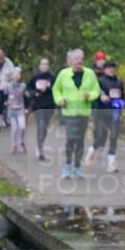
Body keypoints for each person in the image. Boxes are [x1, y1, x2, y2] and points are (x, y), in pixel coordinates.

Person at [52, 49, 101, 179]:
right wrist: (59, 100)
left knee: (80, 141)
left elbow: (96, 90)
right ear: (71, 60)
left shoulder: (90, 73)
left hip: (84, 112)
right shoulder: (63, 74)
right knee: (71, 139)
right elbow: (56, 89)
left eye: (81, 58)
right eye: (76, 58)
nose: (79, 61)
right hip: (68, 112)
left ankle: (77, 167)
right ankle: (67, 166)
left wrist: (90, 96)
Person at [85, 60, 125, 172]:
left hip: (115, 113)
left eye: (113, 67)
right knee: (100, 137)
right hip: (101, 113)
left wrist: (124, 103)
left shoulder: (119, 82)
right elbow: (93, 97)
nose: (111, 69)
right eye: (109, 67)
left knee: (113, 137)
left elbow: (122, 96)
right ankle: (91, 151)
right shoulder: (99, 81)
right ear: (105, 69)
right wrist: (100, 97)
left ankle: (111, 164)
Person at [27, 57, 56, 161]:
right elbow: (28, 88)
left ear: (48, 66)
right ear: (39, 66)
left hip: (49, 105)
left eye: (46, 64)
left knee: (45, 127)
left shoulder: (52, 77)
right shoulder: (35, 77)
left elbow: (56, 89)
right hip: (38, 105)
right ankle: (40, 148)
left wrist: (48, 89)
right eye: (43, 64)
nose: (44, 66)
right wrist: (34, 93)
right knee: (41, 124)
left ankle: (40, 144)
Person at [6, 66, 28, 152]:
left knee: (22, 127)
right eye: (15, 75)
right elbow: (4, 97)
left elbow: (26, 97)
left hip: (20, 109)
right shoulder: (8, 87)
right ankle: (14, 144)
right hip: (11, 110)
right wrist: (6, 102)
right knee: (14, 129)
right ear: (12, 76)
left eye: (18, 75)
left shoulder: (23, 86)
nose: (16, 76)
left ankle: (21, 141)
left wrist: (26, 107)